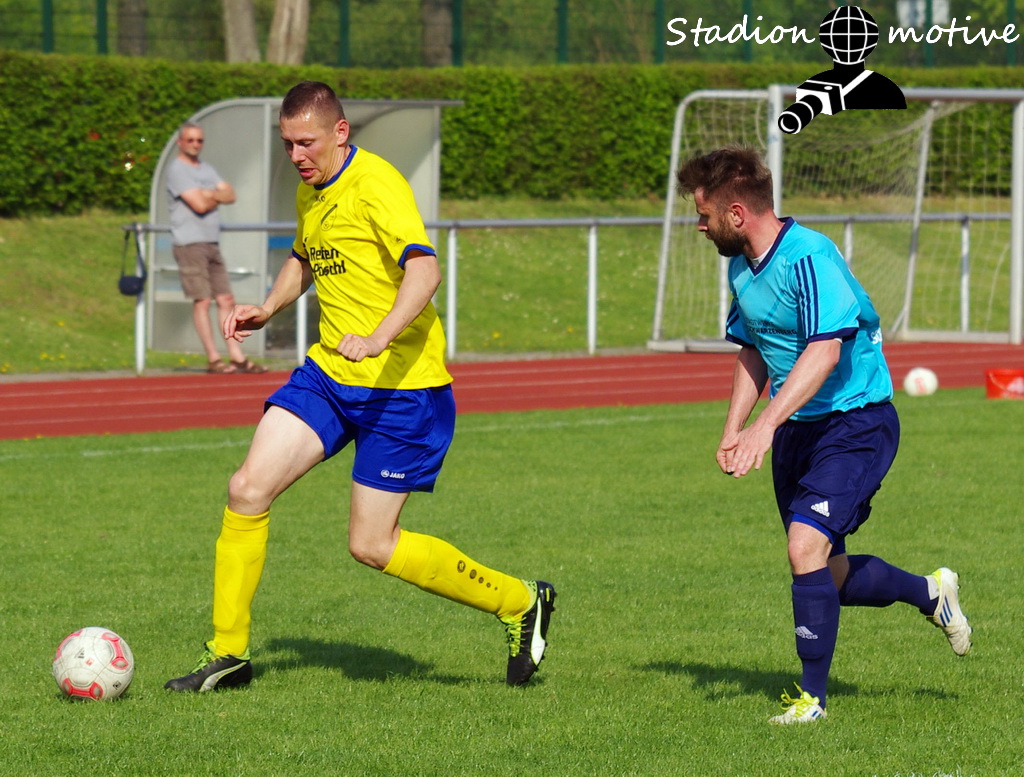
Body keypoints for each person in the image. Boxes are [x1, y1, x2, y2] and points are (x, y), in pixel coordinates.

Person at [165, 81, 555, 692]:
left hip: (403, 389)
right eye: (287, 144)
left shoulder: (377, 184)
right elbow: (304, 256)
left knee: (372, 546)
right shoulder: (312, 187)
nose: (296, 155)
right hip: (329, 376)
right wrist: (267, 307)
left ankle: (520, 600)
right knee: (246, 488)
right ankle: (229, 653)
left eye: (307, 142)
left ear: (340, 132)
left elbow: (425, 269)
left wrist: (378, 337)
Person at [675, 146, 972, 724]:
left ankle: (812, 701)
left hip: (854, 422)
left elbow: (825, 350)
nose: (699, 225)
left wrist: (764, 425)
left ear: (736, 213)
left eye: (704, 214)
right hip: (797, 432)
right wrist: (734, 429)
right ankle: (929, 592)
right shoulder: (741, 267)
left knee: (803, 548)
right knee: (826, 574)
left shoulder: (809, 256)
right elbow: (754, 350)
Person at [166, 122, 266, 374]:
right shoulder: (177, 170)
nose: (195, 144)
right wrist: (213, 195)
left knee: (226, 299)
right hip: (189, 243)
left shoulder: (206, 168)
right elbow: (199, 205)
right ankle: (213, 358)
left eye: (199, 140)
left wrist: (208, 194)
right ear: (180, 142)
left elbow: (230, 194)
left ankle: (237, 356)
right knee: (202, 300)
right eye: (190, 140)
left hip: (211, 241)